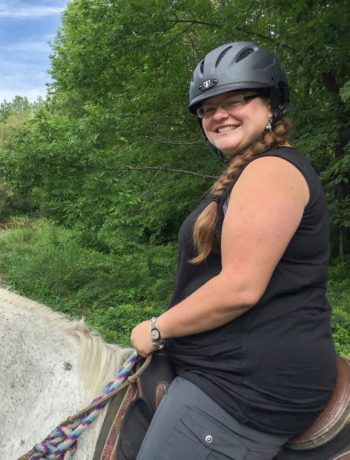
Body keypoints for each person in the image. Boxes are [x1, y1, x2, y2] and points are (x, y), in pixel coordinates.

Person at [130, 41, 338, 459]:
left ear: (272, 106)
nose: (218, 114)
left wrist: (156, 328)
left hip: (250, 384)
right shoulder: (250, 171)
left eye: (236, 99)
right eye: (207, 108)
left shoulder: (270, 171)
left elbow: (240, 287)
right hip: (228, 364)